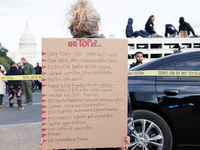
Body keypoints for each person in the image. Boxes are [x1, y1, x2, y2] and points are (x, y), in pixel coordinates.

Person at [39, 0, 132, 150]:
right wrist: (124, 136)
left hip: (71, 141)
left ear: (72, 30)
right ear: (97, 26)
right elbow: (125, 111)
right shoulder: (114, 55)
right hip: (108, 141)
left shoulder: (58, 58)